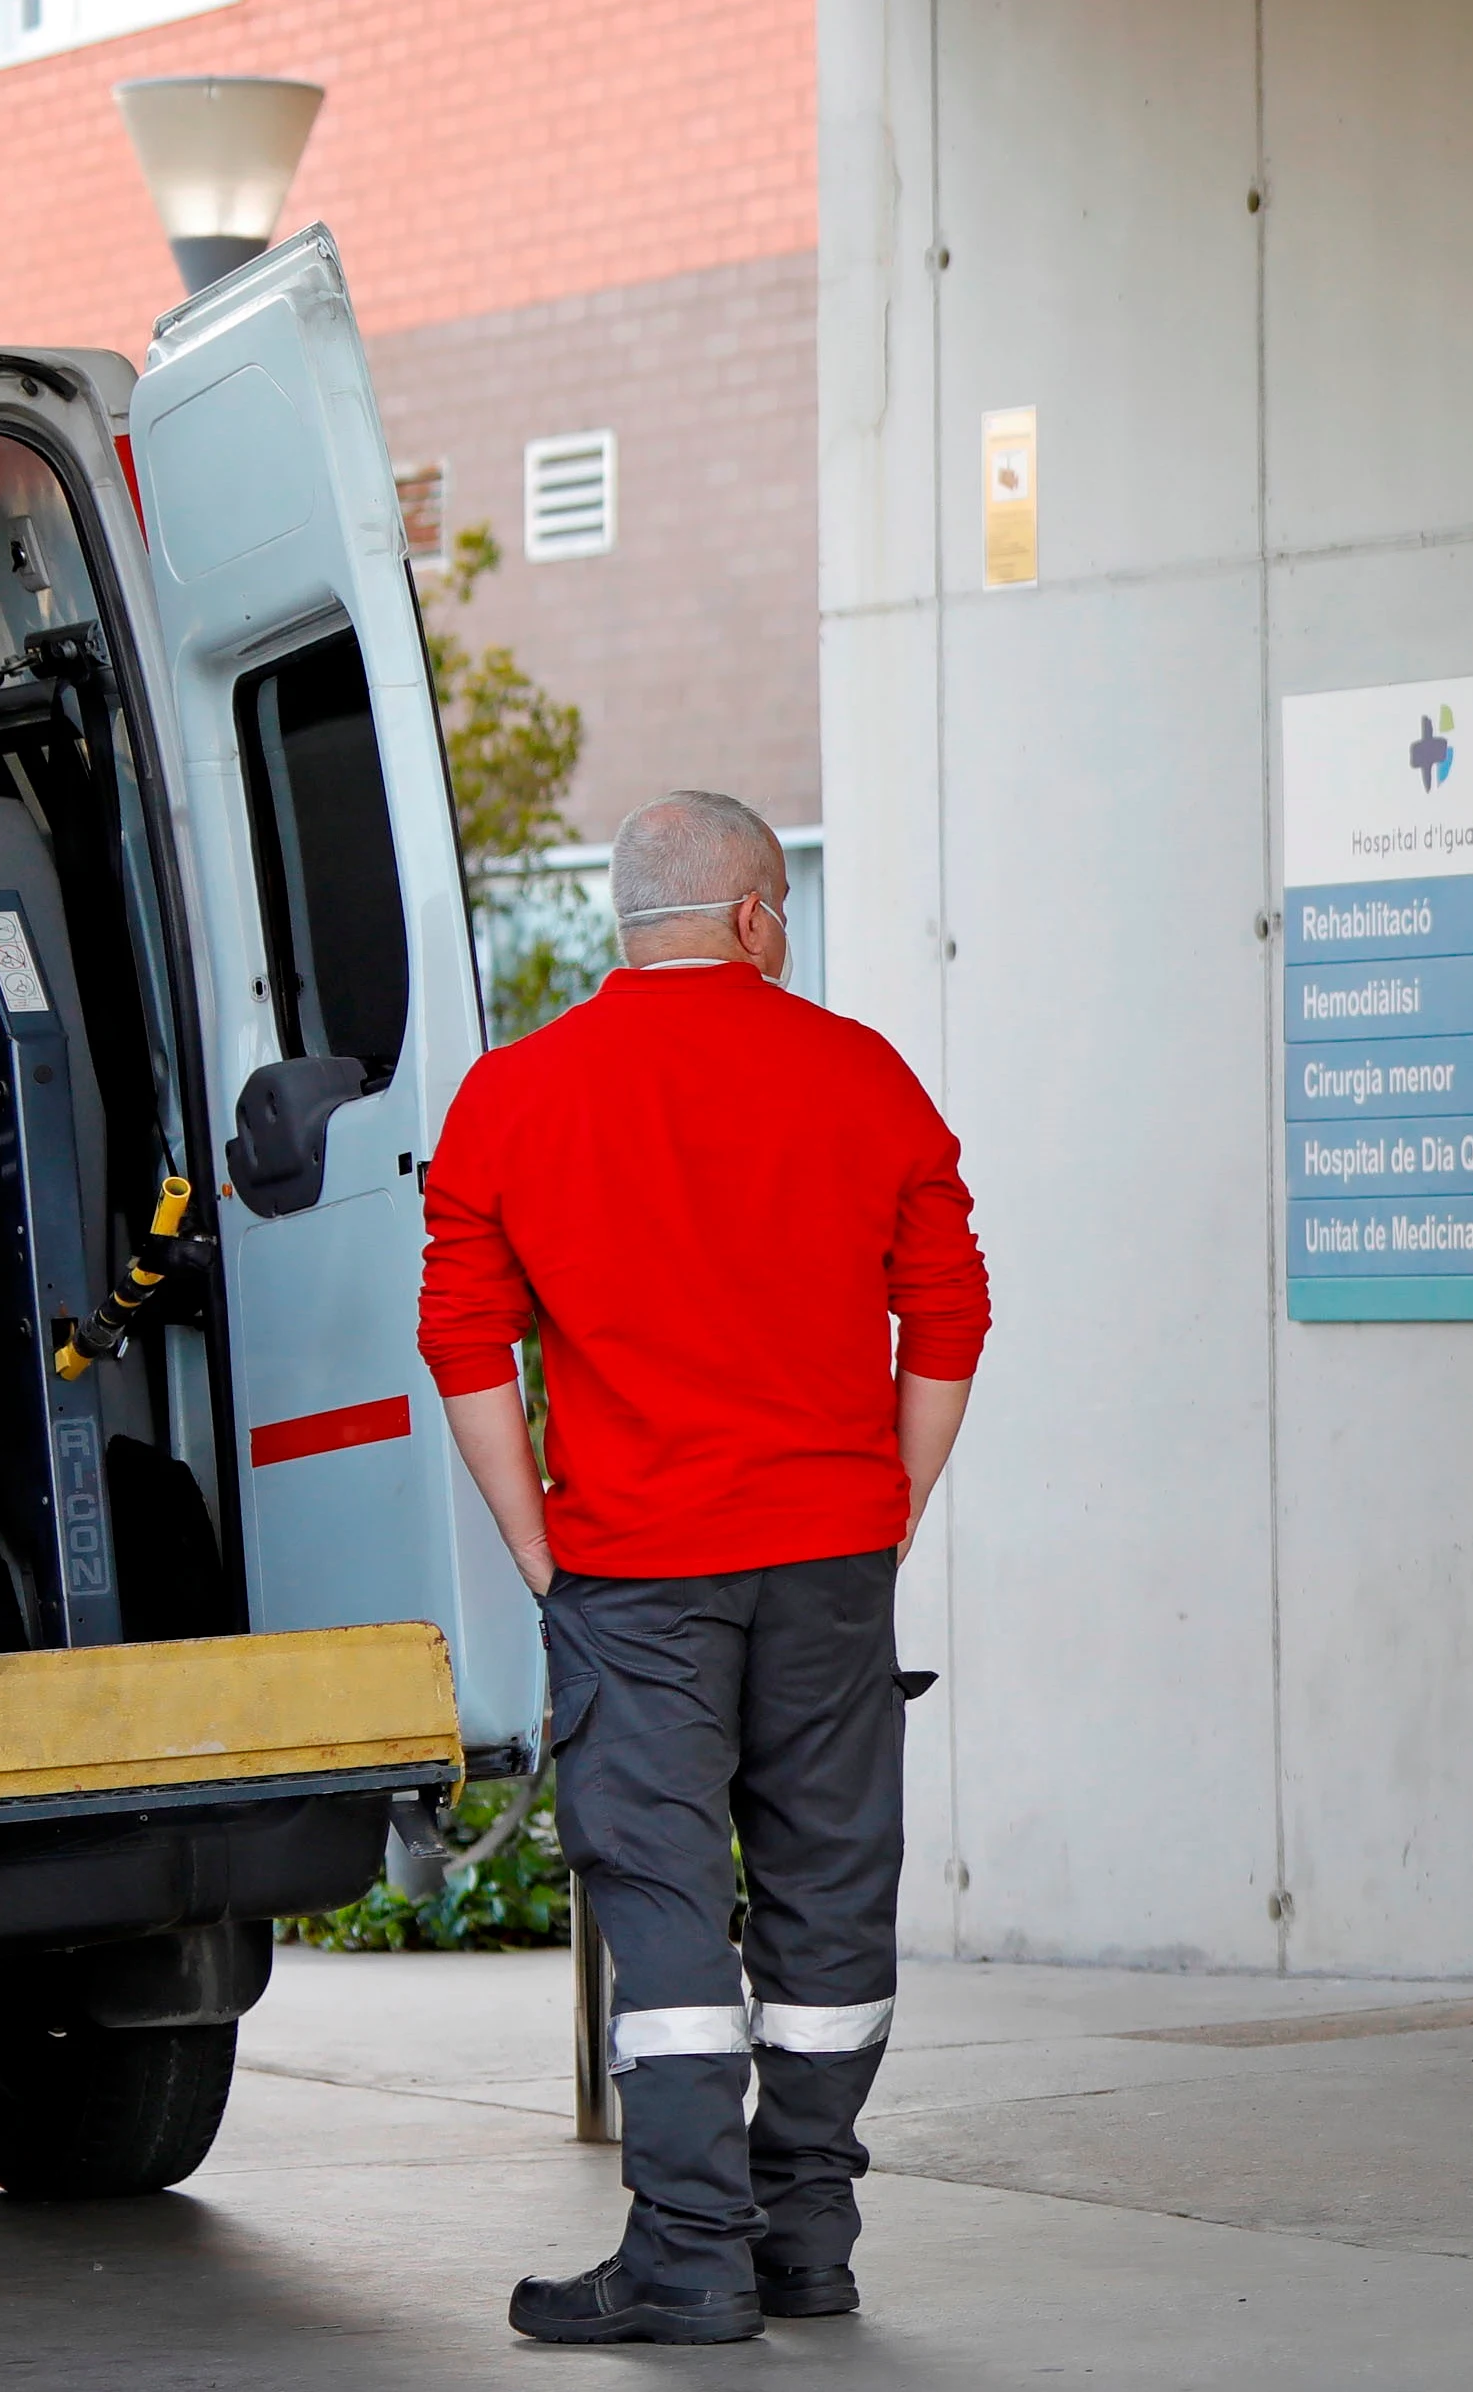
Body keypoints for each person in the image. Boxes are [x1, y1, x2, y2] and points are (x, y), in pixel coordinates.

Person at [420, 791, 989, 2345]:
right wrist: (890, 1511)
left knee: (665, 1899)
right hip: (825, 1563)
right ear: (751, 916)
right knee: (827, 1893)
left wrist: (538, 1548)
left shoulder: (513, 1098)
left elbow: (464, 1339)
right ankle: (806, 2236)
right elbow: (949, 1309)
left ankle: (690, 2251)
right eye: (779, 915)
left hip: (631, 1574)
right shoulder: (859, 1074)